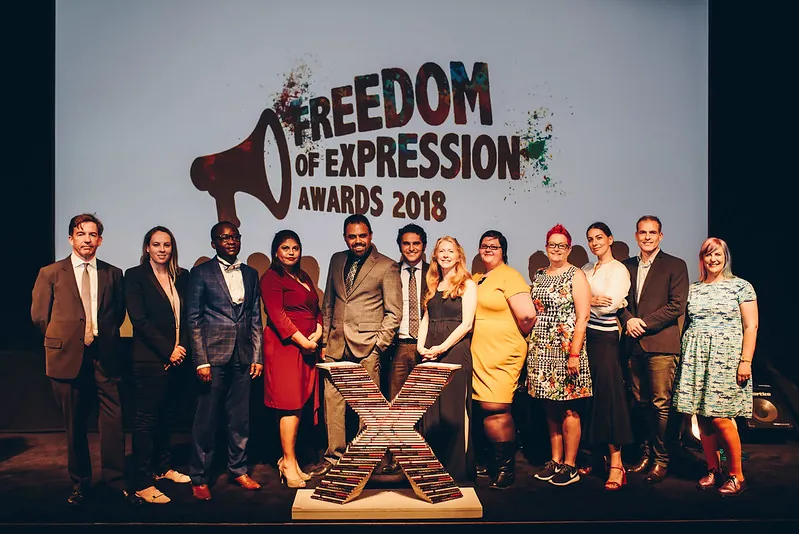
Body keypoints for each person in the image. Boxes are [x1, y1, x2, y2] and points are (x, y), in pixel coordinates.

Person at [31, 213, 141, 506]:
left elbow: (117, 314)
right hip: (67, 357)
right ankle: (80, 485)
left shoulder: (112, 272)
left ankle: (116, 483)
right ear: (71, 238)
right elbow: (40, 316)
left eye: (93, 235)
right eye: (81, 234)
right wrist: (67, 339)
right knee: (75, 425)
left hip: (105, 356)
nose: (88, 240)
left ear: (100, 240)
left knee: (114, 423)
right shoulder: (51, 273)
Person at [308, 214, 402, 477]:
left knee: (367, 406)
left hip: (367, 347)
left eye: (362, 236)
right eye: (352, 236)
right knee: (333, 403)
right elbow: (329, 303)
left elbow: (394, 313)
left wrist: (378, 346)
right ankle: (334, 457)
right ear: (345, 237)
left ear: (371, 235)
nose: (358, 241)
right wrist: (325, 340)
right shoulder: (336, 260)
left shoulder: (387, 266)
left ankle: (364, 459)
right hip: (336, 345)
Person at [673, 238, 758, 496]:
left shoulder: (741, 287)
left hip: (727, 357)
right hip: (696, 357)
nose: (713, 259)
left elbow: (750, 326)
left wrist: (746, 361)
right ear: (702, 258)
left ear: (726, 257)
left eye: (717, 254)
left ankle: (737, 474)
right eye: (708, 255)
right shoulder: (695, 289)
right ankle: (713, 469)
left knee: (721, 416)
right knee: (702, 416)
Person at [186, 221, 264, 501]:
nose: (231, 241)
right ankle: (199, 476)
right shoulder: (201, 273)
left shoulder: (251, 274)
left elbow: (255, 317)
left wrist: (257, 356)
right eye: (224, 238)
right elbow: (193, 320)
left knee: (240, 418)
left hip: (243, 356)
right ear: (213, 243)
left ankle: (238, 468)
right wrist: (201, 361)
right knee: (205, 420)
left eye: (235, 237)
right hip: (213, 357)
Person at [619, 215, 689, 484]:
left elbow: (677, 305)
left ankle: (662, 459)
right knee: (642, 403)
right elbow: (620, 301)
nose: (647, 237)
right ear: (636, 236)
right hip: (634, 345)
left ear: (660, 236)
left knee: (662, 405)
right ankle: (647, 455)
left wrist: (643, 323)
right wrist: (628, 320)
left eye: (652, 233)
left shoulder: (675, 265)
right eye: (642, 232)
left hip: (661, 343)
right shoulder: (627, 266)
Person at [125, 226, 191, 504]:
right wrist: (167, 352)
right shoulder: (135, 276)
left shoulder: (182, 276)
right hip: (151, 359)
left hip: (178, 358)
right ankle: (141, 482)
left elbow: (189, 316)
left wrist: (181, 349)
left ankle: (162, 468)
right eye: (156, 244)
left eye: (166, 245)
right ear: (147, 248)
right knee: (146, 421)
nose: (162, 249)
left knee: (168, 417)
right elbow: (139, 320)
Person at [527, 224, 592, 487]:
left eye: (561, 245)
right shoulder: (540, 275)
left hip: (567, 348)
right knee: (549, 406)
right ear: (546, 248)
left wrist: (574, 352)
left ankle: (570, 464)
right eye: (552, 245)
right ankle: (555, 460)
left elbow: (583, 316)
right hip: (541, 347)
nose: (556, 249)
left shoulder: (576, 275)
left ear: (569, 248)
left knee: (569, 407)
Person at [471, 230, 536, 490]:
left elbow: (528, 315)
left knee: (496, 407)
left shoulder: (510, 276)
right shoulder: (477, 278)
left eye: (494, 246)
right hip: (479, 351)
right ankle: (488, 461)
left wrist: (512, 335)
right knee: (481, 408)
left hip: (502, 351)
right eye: (484, 245)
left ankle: (505, 469)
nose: (489, 249)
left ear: (503, 250)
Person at [259, 230, 323, 489]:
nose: (291, 252)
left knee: (299, 405)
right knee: (289, 404)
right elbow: (277, 315)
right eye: (285, 248)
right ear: (276, 251)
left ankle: (291, 461)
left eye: (295, 247)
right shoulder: (271, 277)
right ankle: (287, 461)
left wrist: (317, 333)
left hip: (308, 346)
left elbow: (315, 310)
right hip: (285, 348)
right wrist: (303, 340)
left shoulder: (304, 276)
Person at [417, 236, 477, 484]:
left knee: (453, 412)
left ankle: (456, 472)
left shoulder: (467, 284)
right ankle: (433, 471)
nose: (445, 254)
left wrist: (441, 347)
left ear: (458, 255)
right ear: (435, 255)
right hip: (430, 352)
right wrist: (422, 347)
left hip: (453, 351)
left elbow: (467, 324)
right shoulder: (433, 284)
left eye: (450, 251)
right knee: (432, 413)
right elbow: (427, 319)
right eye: (441, 251)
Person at [580, 222, 633, 490]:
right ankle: (594, 453)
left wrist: (584, 300)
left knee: (609, 398)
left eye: (599, 237)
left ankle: (616, 462)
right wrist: (589, 299)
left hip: (605, 339)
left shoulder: (619, 269)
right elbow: (576, 301)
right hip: (584, 337)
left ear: (610, 239)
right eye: (590, 239)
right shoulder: (587, 269)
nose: (594, 242)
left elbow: (610, 304)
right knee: (589, 398)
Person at [381, 224, 428, 475]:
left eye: (416, 243)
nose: (411, 248)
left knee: (423, 406)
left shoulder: (434, 274)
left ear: (424, 246)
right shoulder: (390, 272)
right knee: (397, 405)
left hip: (426, 349)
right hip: (398, 347)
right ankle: (397, 456)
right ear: (399, 246)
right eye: (406, 243)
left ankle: (420, 457)